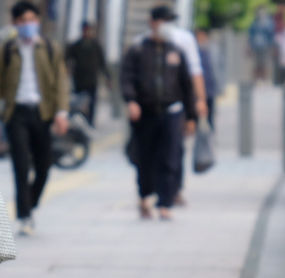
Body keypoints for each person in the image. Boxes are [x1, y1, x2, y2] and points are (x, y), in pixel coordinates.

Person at [0, 1, 69, 236]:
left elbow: (61, 82)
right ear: (15, 23)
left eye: (32, 20)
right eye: (23, 21)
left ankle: (29, 203)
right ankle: (24, 215)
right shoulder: (5, 51)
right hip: (16, 114)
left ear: (38, 22)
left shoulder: (51, 49)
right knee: (21, 166)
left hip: (42, 114)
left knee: (44, 165)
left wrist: (62, 112)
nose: (28, 25)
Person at [121, 5, 197, 221]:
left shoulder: (176, 51)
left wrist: (191, 116)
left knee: (170, 157)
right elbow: (126, 79)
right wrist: (131, 101)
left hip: (172, 112)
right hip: (145, 113)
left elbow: (186, 86)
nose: (167, 27)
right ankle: (145, 195)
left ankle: (165, 202)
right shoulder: (137, 51)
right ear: (152, 22)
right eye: (164, 21)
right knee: (144, 157)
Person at [65, 20, 110, 127]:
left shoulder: (96, 46)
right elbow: (66, 59)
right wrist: (67, 70)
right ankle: (79, 122)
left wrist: (108, 78)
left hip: (92, 81)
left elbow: (102, 63)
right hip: (79, 80)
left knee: (91, 104)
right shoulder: (76, 45)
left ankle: (89, 123)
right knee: (78, 104)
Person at [194, 27, 220, 130]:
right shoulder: (194, 50)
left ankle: (210, 137)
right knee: (196, 114)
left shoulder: (212, 49)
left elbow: (218, 69)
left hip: (209, 87)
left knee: (210, 114)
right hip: (198, 89)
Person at [248, 5, 274, 82]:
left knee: (264, 63)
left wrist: (271, 47)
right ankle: (256, 80)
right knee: (256, 64)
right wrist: (249, 46)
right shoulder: (254, 23)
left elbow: (271, 35)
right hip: (256, 47)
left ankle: (264, 80)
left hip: (265, 46)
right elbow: (251, 35)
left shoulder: (269, 23)